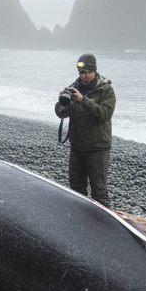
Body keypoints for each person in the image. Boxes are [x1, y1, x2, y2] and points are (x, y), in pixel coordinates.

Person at [54, 52, 116, 207]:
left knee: (99, 191)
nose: (85, 76)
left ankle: (103, 226)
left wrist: (84, 101)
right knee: (76, 189)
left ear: (94, 72)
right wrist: (62, 102)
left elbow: (105, 114)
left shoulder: (105, 90)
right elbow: (61, 114)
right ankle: (80, 224)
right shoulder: (74, 88)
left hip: (98, 148)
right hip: (77, 147)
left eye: (88, 72)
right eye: (82, 72)